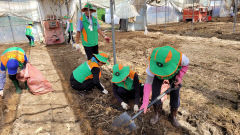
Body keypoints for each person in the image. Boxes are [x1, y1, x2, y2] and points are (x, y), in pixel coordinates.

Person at [140, 46, 189, 127]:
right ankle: (157, 114)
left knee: (175, 94)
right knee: (155, 93)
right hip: (157, 76)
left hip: (173, 74)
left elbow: (186, 64)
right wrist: (145, 102)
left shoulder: (181, 58)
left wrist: (179, 77)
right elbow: (148, 83)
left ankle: (172, 116)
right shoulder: (152, 67)